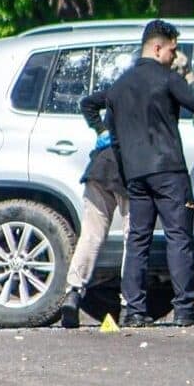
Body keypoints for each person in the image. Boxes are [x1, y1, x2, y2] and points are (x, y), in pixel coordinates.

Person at [88, 19, 194, 328]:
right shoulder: (167, 79)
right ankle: (184, 310)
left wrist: (106, 137)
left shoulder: (120, 85)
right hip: (168, 170)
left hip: (135, 175)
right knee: (179, 237)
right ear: (157, 47)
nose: (174, 57)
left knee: (137, 241)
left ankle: (134, 311)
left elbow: (99, 115)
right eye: (172, 51)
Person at [59, 92, 130, 329]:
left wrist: (100, 130)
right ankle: (129, 302)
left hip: (99, 167)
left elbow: (87, 102)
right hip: (127, 170)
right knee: (134, 239)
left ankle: (73, 293)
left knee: (91, 235)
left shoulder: (121, 88)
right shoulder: (151, 89)